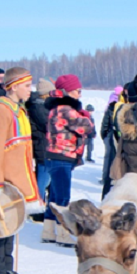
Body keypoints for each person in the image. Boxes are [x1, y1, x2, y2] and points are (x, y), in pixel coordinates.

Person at [0, 67, 43, 274]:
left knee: (12, 225)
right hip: (4, 181)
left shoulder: (19, 111)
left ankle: (8, 268)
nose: (30, 90)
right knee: (1, 226)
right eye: (27, 85)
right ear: (14, 86)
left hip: (18, 180)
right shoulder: (1, 111)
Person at [43, 74, 93, 247]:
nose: (80, 94)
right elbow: (86, 127)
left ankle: (48, 230)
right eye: (77, 91)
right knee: (63, 197)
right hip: (62, 157)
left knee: (55, 196)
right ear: (68, 91)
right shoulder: (66, 110)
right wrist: (85, 115)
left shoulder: (56, 109)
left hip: (54, 156)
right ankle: (63, 233)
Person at [26, 77, 54, 222]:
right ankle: (37, 208)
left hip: (45, 145)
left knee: (45, 178)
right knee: (42, 180)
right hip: (42, 146)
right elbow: (48, 125)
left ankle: (41, 206)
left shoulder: (42, 105)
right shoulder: (38, 106)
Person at [100, 86, 124, 197]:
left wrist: (104, 134)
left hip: (110, 135)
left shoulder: (112, 104)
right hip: (113, 136)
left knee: (108, 159)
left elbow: (105, 122)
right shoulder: (118, 106)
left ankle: (106, 179)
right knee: (112, 161)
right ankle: (107, 179)